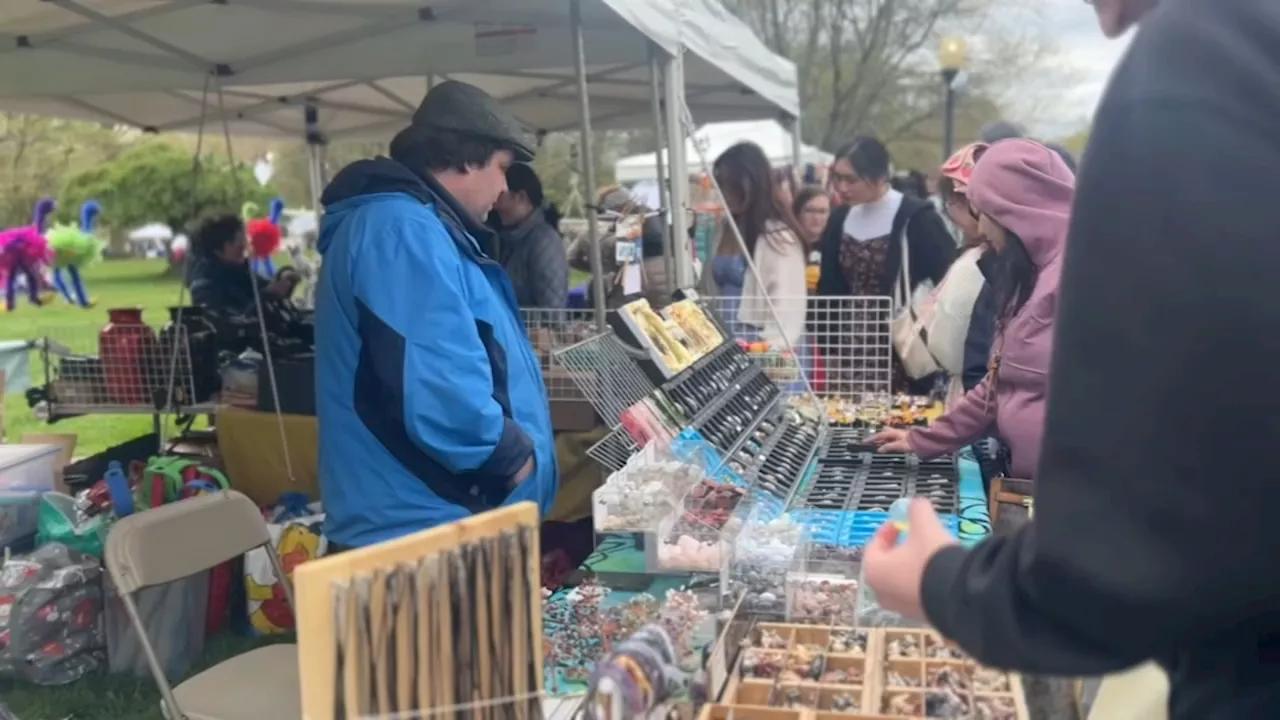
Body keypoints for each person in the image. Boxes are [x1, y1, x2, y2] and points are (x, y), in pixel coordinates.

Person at [864, 1, 1280, 716]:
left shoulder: (1203, 50)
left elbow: (1118, 563)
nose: (1105, 21)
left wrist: (940, 583)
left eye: (987, 219)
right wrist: (930, 439)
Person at [313, 80, 557, 549]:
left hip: (435, 520)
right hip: (421, 530)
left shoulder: (416, 227)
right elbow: (438, 386)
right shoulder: (400, 230)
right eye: (502, 167)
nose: (505, 186)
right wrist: (511, 458)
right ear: (467, 158)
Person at [869, 139, 1072, 479]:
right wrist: (924, 440)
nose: (981, 228)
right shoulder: (1023, 277)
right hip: (1028, 486)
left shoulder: (1077, 283)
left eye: (983, 213)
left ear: (1013, 212)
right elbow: (997, 383)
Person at [815, 136, 955, 394]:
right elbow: (829, 287)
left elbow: (949, 278)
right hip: (849, 343)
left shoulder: (917, 218)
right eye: (837, 178)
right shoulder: (839, 218)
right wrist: (828, 344)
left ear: (879, 177)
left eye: (851, 179)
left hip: (901, 342)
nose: (842, 187)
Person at [710, 142, 809, 381]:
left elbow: (787, 309)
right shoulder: (725, 229)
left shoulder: (778, 237)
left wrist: (769, 355)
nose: (724, 194)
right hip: (727, 341)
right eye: (719, 185)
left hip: (762, 346)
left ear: (750, 185)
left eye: (729, 186)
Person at [926, 143, 991, 406]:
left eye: (953, 200)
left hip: (970, 399)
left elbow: (949, 350)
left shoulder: (973, 265)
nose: (950, 209)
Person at [489, 163, 568, 308]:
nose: (493, 202)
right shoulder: (505, 236)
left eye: (500, 194)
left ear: (519, 197)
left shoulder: (544, 241)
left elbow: (553, 309)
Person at [187, 213, 298, 316]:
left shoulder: (240, 271)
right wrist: (265, 297)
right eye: (239, 247)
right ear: (218, 249)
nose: (244, 248)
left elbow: (264, 286)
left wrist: (284, 276)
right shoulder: (204, 287)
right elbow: (229, 324)